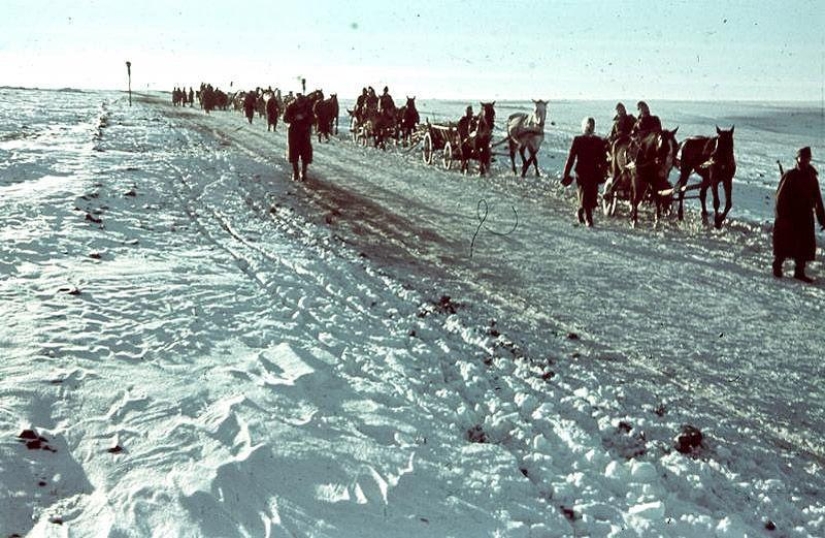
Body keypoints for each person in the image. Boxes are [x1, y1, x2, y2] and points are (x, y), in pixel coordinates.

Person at [772, 146, 825, 282]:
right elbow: (780, 197)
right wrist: (781, 216)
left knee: (804, 244)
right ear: (797, 160)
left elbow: (818, 198)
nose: (804, 162)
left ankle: (799, 271)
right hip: (789, 216)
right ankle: (777, 265)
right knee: (785, 243)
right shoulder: (790, 175)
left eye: (806, 159)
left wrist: (822, 218)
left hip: (805, 216)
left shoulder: (812, 177)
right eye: (801, 159)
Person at [561, 117, 608, 227]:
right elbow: (571, 158)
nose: (590, 127)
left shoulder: (598, 141)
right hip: (581, 173)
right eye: (588, 125)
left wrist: (604, 171)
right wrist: (566, 173)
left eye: (592, 125)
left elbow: (603, 158)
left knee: (592, 198)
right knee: (585, 195)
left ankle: (581, 211)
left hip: (594, 173)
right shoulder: (578, 140)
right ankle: (589, 219)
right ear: (584, 127)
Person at [283, 93, 314, 181]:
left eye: (302, 103)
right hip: (294, 133)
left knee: (306, 153)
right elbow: (285, 118)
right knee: (294, 153)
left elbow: (313, 119)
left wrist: (307, 118)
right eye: (299, 103)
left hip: (305, 132)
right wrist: (295, 118)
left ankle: (303, 173)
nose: (301, 105)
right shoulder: (290, 106)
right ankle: (295, 172)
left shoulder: (308, 107)